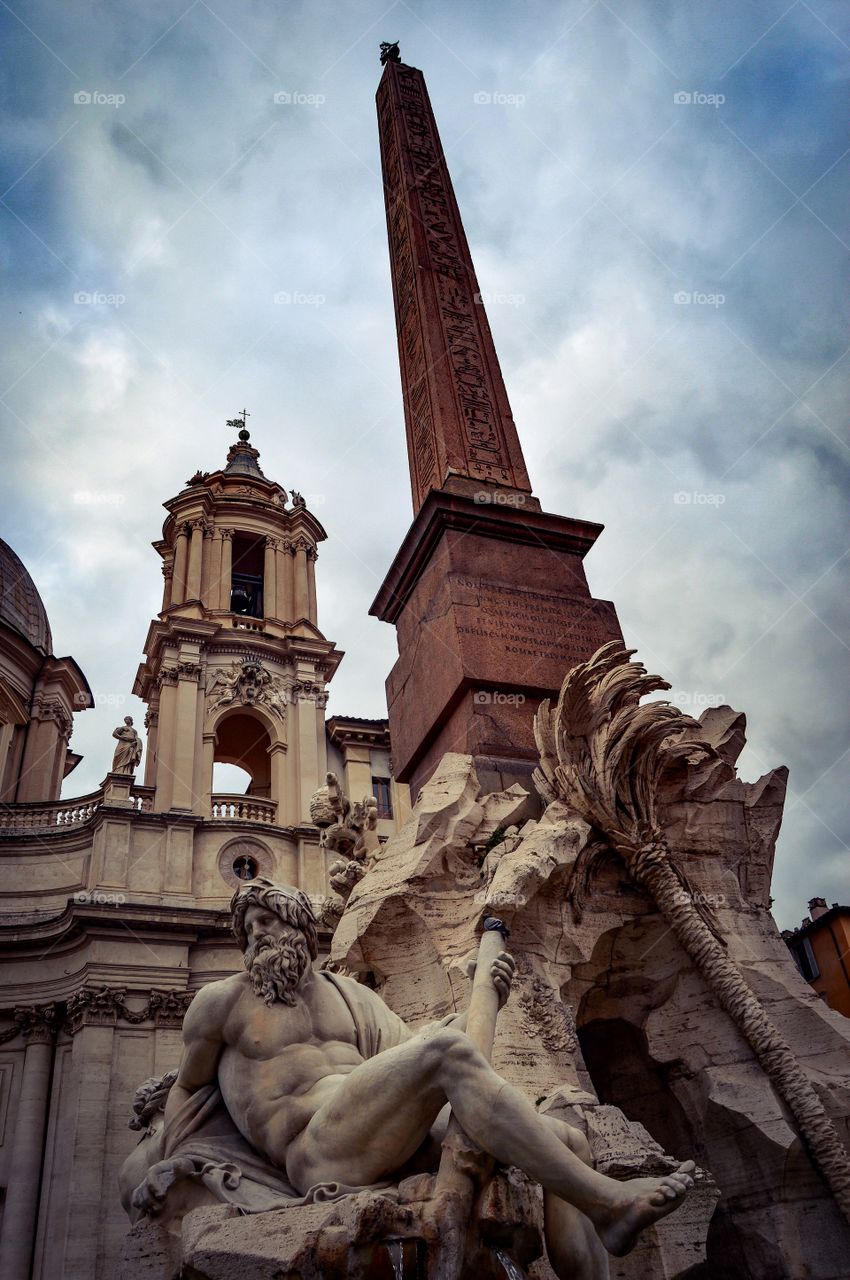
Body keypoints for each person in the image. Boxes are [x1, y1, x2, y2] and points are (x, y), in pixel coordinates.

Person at [139, 879, 694, 1276]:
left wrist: (487, 996)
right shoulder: (221, 1003)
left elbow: (419, 1056)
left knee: (565, 1136)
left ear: (301, 928)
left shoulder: (351, 996)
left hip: (383, 1134)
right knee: (447, 1049)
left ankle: (597, 1250)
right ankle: (608, 1203)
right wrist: (173, 1159)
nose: (257, 936)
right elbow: (190, 1090)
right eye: (248, 929)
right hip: (315, 1151)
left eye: (268, 921)